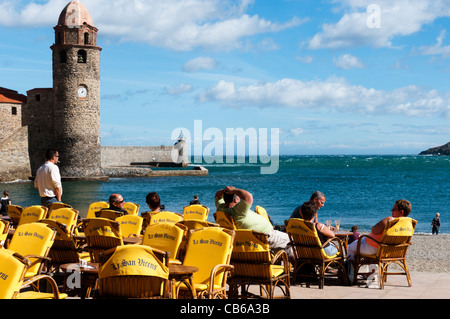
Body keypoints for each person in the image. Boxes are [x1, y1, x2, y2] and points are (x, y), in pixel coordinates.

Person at [215, 186, 293, 259]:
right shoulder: (238, 211)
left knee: (283, 243)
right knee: (291, 240)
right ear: (236, 200)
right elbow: (248, 196)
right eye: (239, 199)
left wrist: (226, 191)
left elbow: (217, 195)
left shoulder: (220, 208)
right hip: (263, 238)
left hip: (245, 242)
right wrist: (233, 190)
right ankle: (298, 267)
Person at [346, 199, 412, 262]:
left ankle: (351, 271)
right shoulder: (408, 223)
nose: (391, 210)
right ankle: (373, 273)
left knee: (349, 248)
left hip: (373, 247)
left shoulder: (390, 220)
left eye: (394, 209)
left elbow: (374, 230)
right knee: (360, 242)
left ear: (401, 212)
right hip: (390, 250)